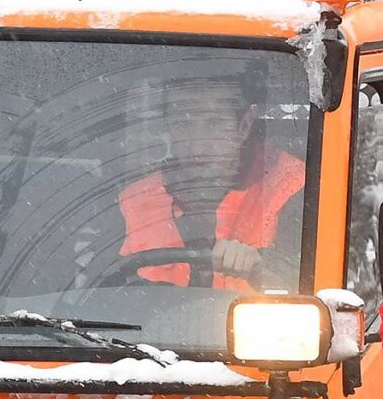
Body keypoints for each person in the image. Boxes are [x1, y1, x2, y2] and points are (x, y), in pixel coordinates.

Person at [117, 76, 305, 290]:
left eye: (214, 124)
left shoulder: (294, 190)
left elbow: (310, 286)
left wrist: (266, 267)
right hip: (151, 322)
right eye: (183, 124)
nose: (197, 147)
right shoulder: (132, 202)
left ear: (244, 126)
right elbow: (102, 290)